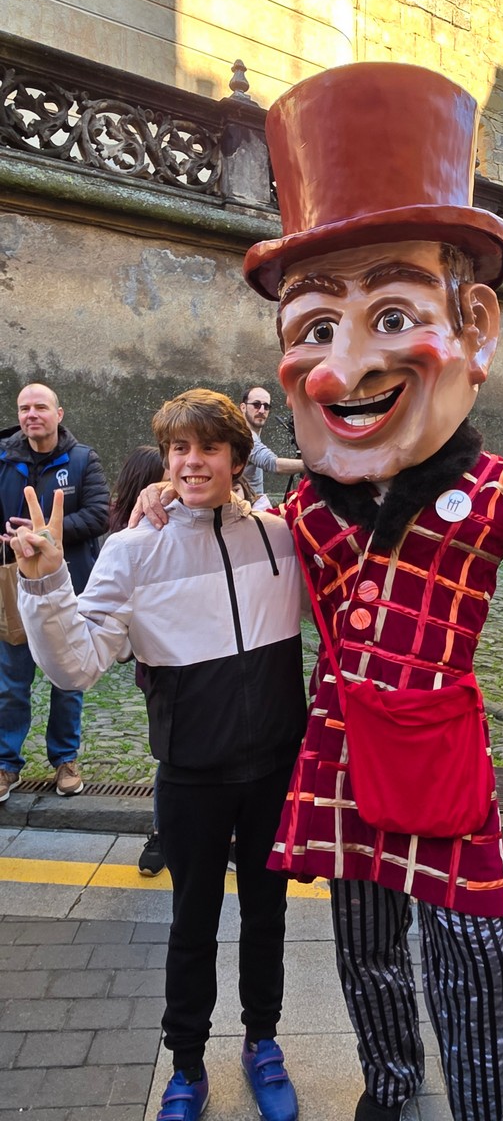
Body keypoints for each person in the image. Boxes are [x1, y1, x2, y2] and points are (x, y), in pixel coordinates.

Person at [133, 66, 503, 1121]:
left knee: (471, 959)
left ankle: (486, 1110)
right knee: (366, 951)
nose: (344, 370)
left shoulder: (495, 486)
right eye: (314, 329)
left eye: (391, 314)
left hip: (439, 758)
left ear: (475, 326)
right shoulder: (303, 509)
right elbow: (236, 539)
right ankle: (388, 1087)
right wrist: (177, 497)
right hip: (343, 751)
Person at [14, 389, 306, 1121]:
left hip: (275, 768)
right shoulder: (133, 549)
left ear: (238, 459)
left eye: (208, 448)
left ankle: (263, 1042)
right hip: (192, 775)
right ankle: (186, 1065)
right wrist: (45, 581)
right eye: (179, 449)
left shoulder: (279, 538)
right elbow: (76, 664)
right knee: (191, 924)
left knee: (267, 916)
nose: (191, 462)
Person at [0, 382, 109, 801]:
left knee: (68, 681)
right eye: (24, 408)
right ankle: (6, 764)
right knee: (11, 682)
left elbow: (99, 515)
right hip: (14, 587)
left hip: (70, 588)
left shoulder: (82, 459)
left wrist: (46, 534)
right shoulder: (4, 460)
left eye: (40, 407)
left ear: (58, 414)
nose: (32, 414)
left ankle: (65, 759)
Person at [109, 444, 167, 876]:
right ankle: (163, 833)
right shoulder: (129, 539)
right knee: (172, 754)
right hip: (159, 666)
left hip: (207, 660)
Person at [240, 386, 304, 503]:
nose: (261, 410)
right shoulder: (245, 436)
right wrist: (315, 466)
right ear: (243, 407)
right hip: (247, 507)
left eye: (266, 406)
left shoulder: (248, 434)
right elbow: (273, 464)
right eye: (256, 405)